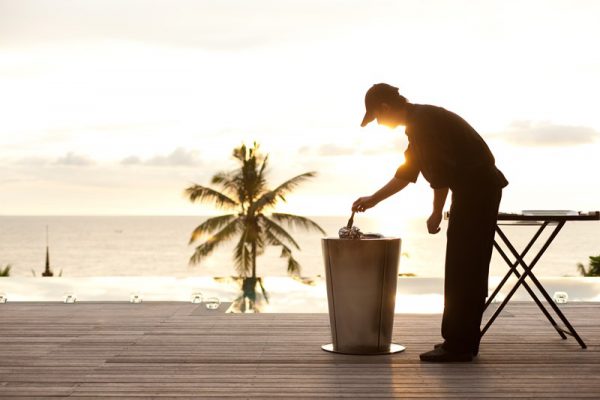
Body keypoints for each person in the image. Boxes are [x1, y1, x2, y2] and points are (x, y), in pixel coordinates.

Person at [353, 83, 508, 362]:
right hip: (473, 191)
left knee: (466, 267)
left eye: (377, 117)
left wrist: (437, 211)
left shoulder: (424, 123)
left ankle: (460, 345)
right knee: (461, 264)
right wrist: (373, 199)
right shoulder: (419, 123)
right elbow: (407, 172)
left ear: (385, 108)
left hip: (477, 191)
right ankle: (457, 341)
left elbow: (441, 173)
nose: (379, 123)